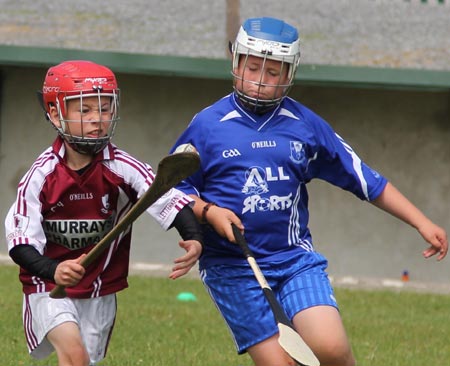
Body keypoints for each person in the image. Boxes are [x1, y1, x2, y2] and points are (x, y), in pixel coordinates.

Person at [169, 17, 448, 366]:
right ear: (236, 62)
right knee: (280, 363)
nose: (260, 80)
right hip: (232, 266)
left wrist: (421, 222)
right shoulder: (207, 125)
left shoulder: (305, 125)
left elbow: (365, 179)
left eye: (273, 72)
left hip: (294, 262)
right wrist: (209, 213)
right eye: (253, 67)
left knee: (330, 348)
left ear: (289, 74)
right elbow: (171, 190)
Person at [4, 60, 203, 366]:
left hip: (99, 287)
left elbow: (165, 199)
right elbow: (19, 243)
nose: (97, 119)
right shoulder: (40, 176)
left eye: (105, 108)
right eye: (84, 110)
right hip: (48, 285)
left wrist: (193, 237)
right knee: (74, 354)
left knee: (85, 361)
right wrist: (52, 270)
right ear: (56, 114)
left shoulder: (124, 167)